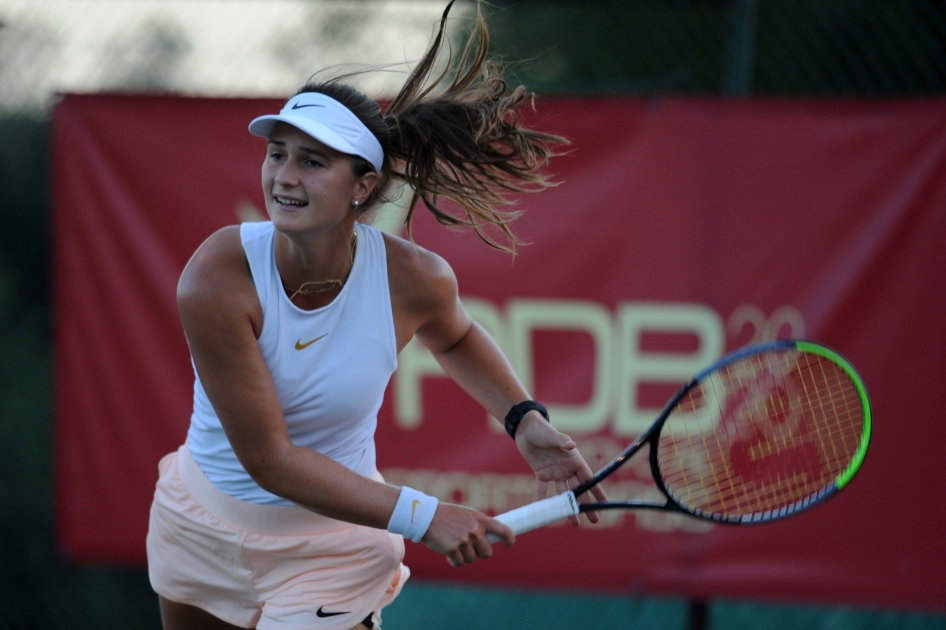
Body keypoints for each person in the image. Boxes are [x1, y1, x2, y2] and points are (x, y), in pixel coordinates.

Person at [146, 3, 607, 629]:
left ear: (362, 186)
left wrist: (523, 419)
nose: (283, 175)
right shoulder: (217, 276)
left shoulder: (413, 279)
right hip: (199, 529)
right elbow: (269, 461)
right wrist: (425, 515)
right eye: (277, 153)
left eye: (312, 162)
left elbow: (459, 335)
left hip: (333, 548)